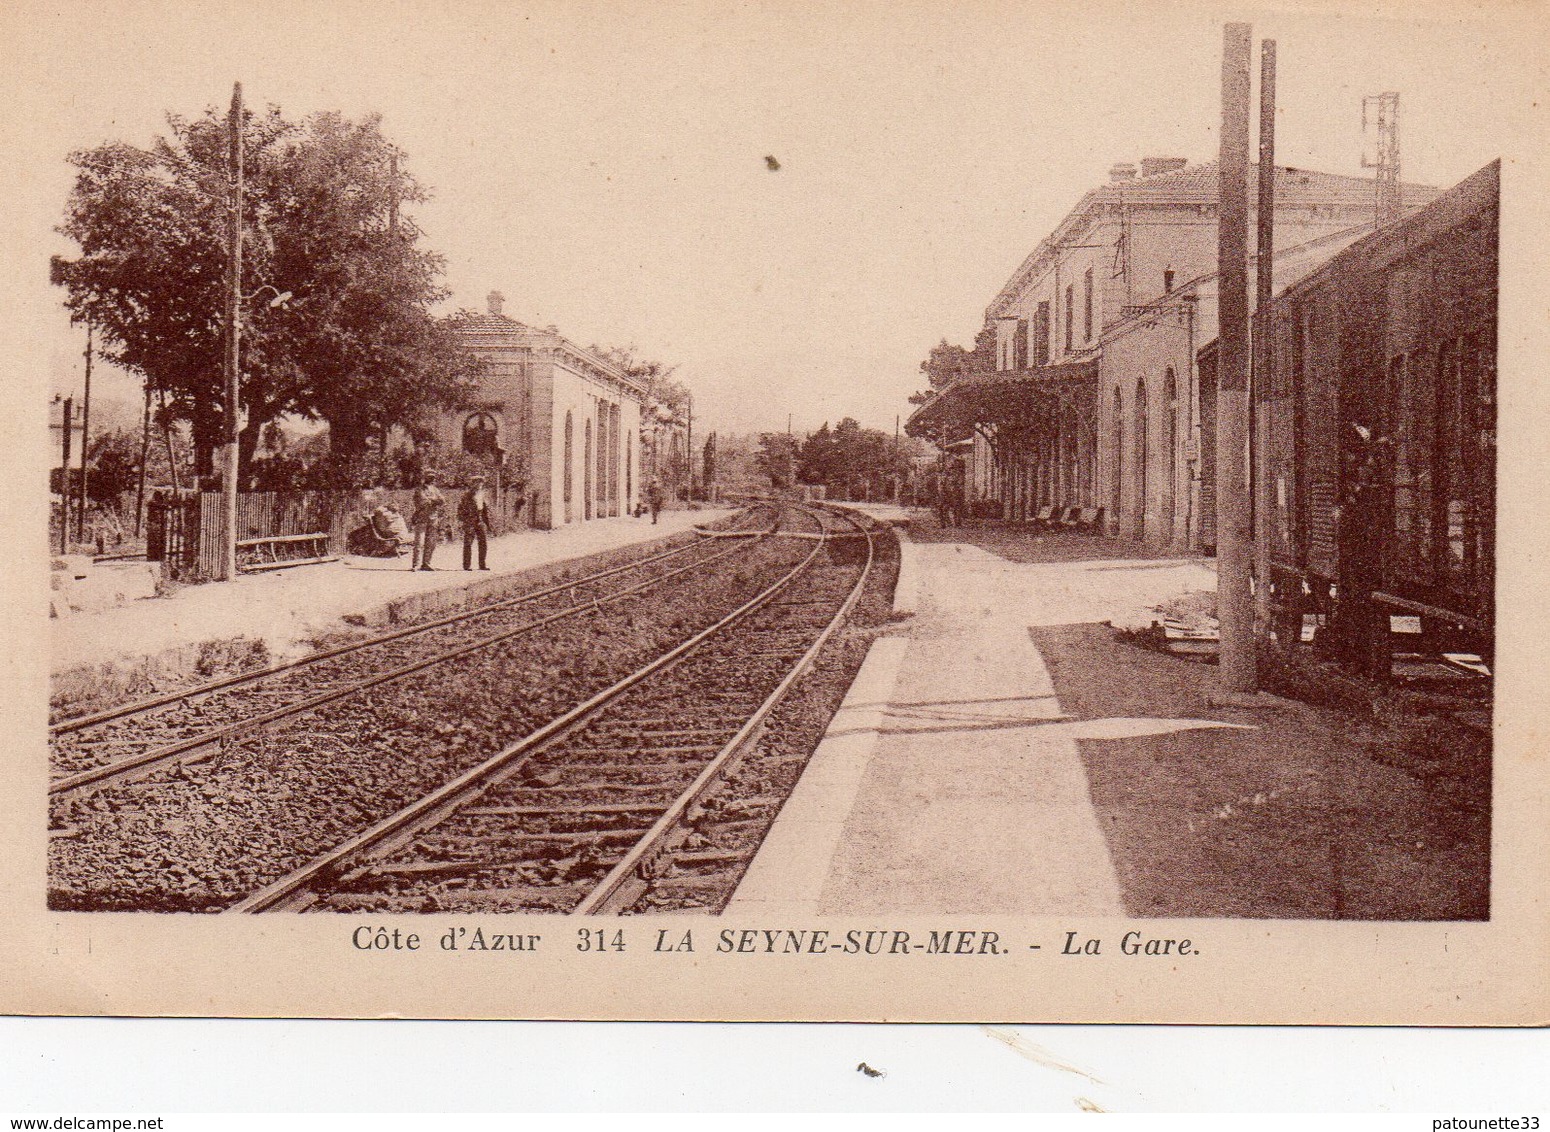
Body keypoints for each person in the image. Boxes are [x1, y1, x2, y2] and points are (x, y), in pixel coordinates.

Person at [410, 475, 445, 571]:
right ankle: (415, 564)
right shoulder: (419, 489)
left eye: (434, 478)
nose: (433, 479)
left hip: (433, 517)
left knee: (431, 542)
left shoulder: (435, 489)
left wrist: (433, 500)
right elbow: (423, 501)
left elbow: (442, 500)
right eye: (430, 478)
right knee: (419, 542)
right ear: (426, 478)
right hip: (422, 518)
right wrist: (434, 500)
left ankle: (426, 563)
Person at [459, 475, 493, 571]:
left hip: (480, 519)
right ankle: (467, 565)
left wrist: (488, 523)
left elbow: (485, 509)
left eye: (481, 482)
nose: (479, 484)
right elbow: (461, 509)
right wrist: (464, 520)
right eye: (477, 482)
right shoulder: (467, 495)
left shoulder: (483, 494)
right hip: (470, 520)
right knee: (468, 543)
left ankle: (482, 564)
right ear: (472, 484)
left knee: (483, 543)